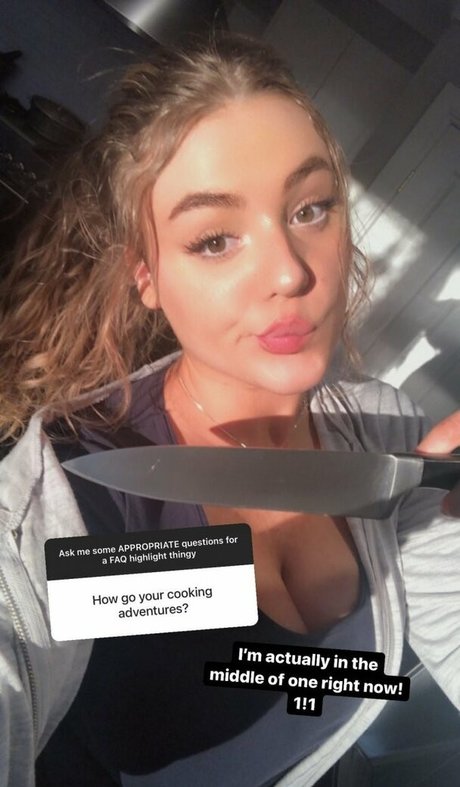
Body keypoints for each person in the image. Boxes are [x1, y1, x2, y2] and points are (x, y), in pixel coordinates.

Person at [0, 33, 458, 787]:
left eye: (311, 208)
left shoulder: (391, 436)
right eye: (214, 239)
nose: (289, 272)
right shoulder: (72, 492)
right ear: (145, 275)